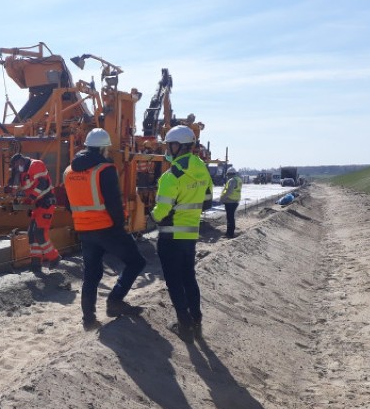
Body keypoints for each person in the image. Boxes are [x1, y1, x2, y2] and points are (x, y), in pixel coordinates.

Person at [63, 128, 146, 330]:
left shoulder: (69, 171)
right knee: (136, 262)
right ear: (102, 149)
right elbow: (114, 202)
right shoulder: (105, 169)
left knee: (91, 273)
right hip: (107, 228)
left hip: (84, 230)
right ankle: (115, 301)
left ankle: (89, 319)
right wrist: (120, 225)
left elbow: (67, 201)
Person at [150, 125, 213, 343]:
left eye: (172, 145)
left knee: (174, 282)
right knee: (189, 278)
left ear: (181, 146)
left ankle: (184, 326)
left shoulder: (171, 175)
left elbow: (162, 211)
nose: (169, 148)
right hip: (190, 235)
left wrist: (153, 217)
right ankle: (196, 320)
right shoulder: (202, 168)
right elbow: (207, 200)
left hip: (170, 237)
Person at [6, 153, 61, 273]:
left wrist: (29, 199)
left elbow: (42, 184)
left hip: (46, 203)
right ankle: (36, 264)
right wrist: (12, 192)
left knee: (40, 233)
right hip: (37, 205)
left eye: (17, 165)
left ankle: (54, 257)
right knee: (32, 233)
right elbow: (23, 189)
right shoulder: (22, 173)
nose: (17, 168)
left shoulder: (36, 165)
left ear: (21, 161)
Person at [219, 167, 242, 238]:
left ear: (229, 174)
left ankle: (229, 233)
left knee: (230, 217)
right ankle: (230, 232)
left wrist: (222, 198)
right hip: (236, 201)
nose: (227, 176)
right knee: (231, 217)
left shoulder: (232, 180)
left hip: (230, 201)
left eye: (228, 175)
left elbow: (229, 191)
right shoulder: (238, 179)